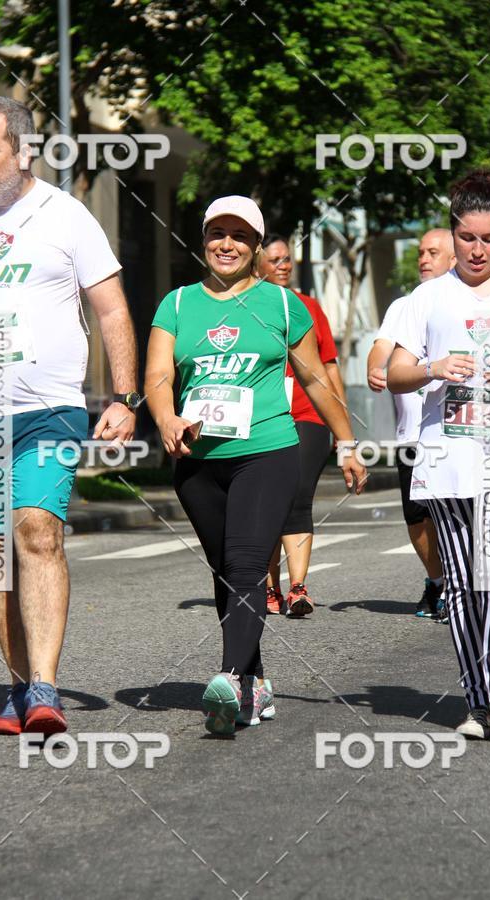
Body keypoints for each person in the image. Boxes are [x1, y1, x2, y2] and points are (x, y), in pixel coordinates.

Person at [0, 97, 139, 735]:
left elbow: (110, 309)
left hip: (48, 409)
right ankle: (18, 685)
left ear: (22, 151)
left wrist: (124, 396)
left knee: (35, 529)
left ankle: (46, 687)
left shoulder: (67, 216)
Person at [144, 195, 366, 735]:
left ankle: (227, 677)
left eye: (240, 236)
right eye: (217, 233)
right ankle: (255, 679)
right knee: (226, 569)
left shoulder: (284, 306)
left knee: (246, 564)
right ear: (203, 241)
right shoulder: (176, 305)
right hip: (198, 462)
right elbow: (158, 377)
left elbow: (315, 378)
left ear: (256, 246)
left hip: (267, 451)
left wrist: (346, 442)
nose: (227, 244)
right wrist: (167, 419)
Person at [388, 169, 490, 745]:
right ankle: (478, 697)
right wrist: (433, 367)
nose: (478, 250)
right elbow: (394, 373)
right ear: (453, 234)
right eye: (468, 237)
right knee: (460, 584)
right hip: (444, 457)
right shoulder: (426, 299)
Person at [367, 229, 455, 619]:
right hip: (411, 436)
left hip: (454, 433)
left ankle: (461, 586)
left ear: (454, 259)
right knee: (416, 517)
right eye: (420, 252)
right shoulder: (404, 305)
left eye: (433, 252)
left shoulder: (464, 303)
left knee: (452, 513)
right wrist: (374, 366)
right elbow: (382, 346)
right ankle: (437, 580)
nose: (423, 258)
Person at [257, 234, 346, 617]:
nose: (284, 265)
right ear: (257, 263)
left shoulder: (307, 306)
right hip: (263, 419)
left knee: (297, 498)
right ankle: (268, 588)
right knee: (263, 504)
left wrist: (343, 426)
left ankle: (297, 588)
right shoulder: (246, 305)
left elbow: (327, 366)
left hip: (308, 417)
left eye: (287, 259)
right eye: (275, 259)